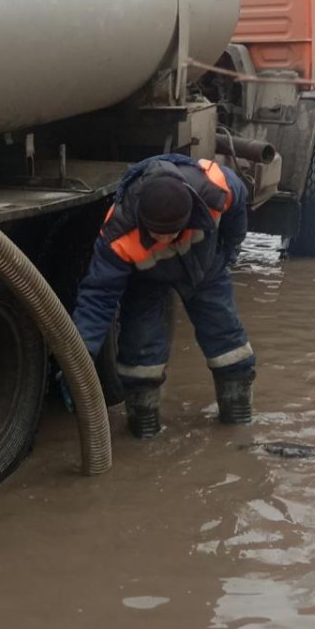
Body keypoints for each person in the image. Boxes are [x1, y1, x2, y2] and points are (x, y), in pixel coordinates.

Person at [72, 153, 255, 439]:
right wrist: (78, 359)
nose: (163, 242)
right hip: (146, 282)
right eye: (156, 235)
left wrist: (230, 250)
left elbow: (239, 203)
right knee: (140, 352)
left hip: (203, 269)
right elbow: (98, 297)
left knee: (227, 340)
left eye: (170, 234)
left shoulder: (215, 187)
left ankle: (238, 419)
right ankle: (144, 428)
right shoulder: (118, 233)